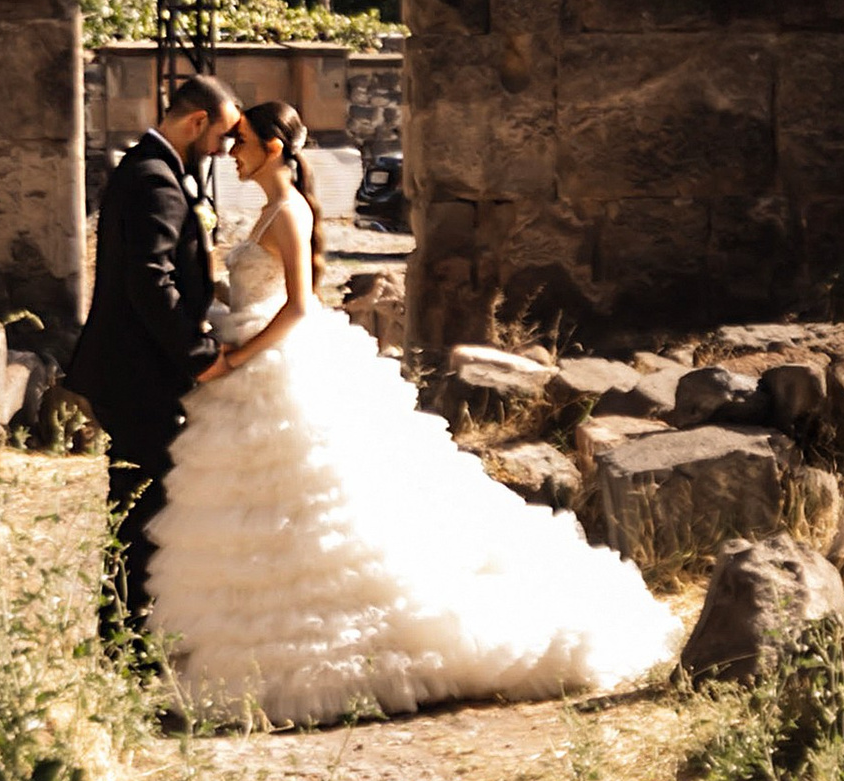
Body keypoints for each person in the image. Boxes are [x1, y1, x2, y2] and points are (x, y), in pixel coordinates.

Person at [146, 99, 678, 724]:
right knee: (255, 505)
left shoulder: (288, 212)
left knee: (316, 499)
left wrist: (236, 360)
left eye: (239, 141)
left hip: (273, 360)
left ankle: (336, 652)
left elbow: (296, 309)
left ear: (271, 147)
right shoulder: (269, 210)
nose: (229, 152)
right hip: (252, 357)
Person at [67, 72, 241, 631]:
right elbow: (150, 279)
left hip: (134, 369)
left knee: (141, 504)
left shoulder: (152, 167)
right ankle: (125, 636)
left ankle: (129, 629)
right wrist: (199, 354)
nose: (223, 149)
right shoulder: (154, 178)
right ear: (197, 122)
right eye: (221, 136)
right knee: (141, 509)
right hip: (136, 374)